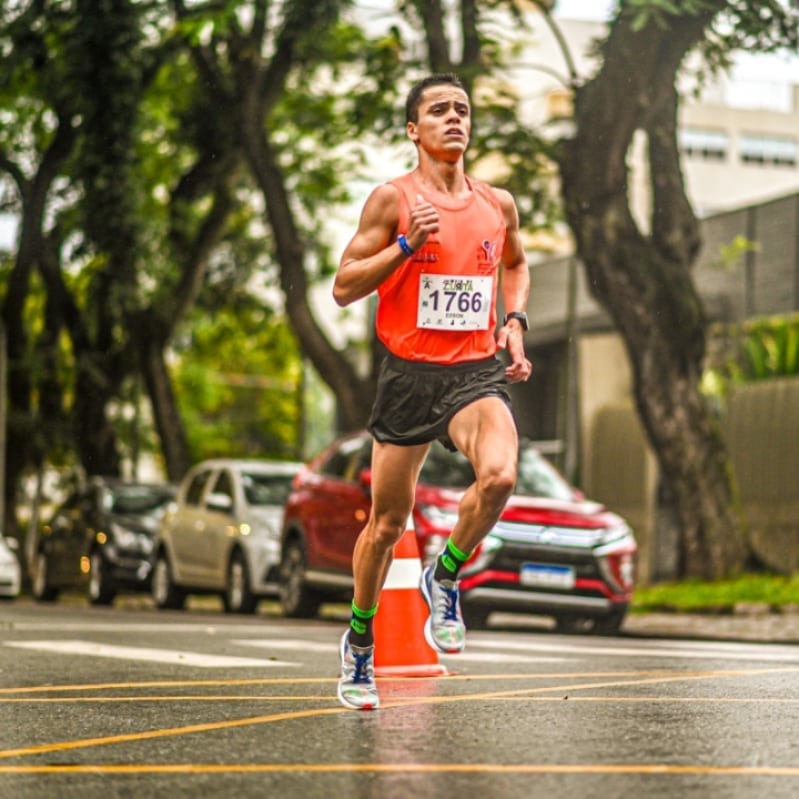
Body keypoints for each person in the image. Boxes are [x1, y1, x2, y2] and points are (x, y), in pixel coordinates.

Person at [332, 73, 532, 710]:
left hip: (473, 371)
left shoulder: (497, 204)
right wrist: (404, 245)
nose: (455, 118)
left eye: (463, 110)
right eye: (439, 110)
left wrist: (514, 322)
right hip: (408, 374)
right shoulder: (392, 200)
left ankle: (443, 575)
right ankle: (360, 643)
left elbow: (516, 264)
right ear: (413, 130)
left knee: (499, 476)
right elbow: (343, 285)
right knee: (387, 523)